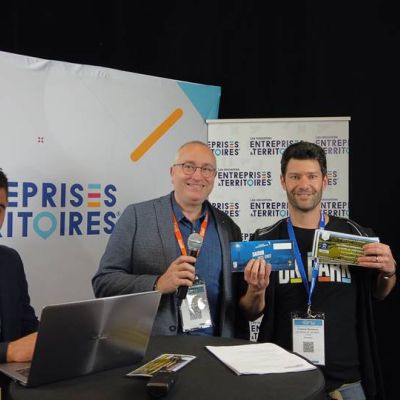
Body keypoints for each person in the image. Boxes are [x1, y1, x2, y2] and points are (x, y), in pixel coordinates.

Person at [239, 141, 396, 400]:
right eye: (295, 176)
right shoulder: (265, 240)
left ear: (324, 180)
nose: (304, 184)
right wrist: (256, 290)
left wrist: (388, 272)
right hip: (285, 382)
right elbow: (250, 311)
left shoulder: (355, 235)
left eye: (311, 176)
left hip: (345, 383)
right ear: (283, 181)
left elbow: (379, 293)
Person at [92, 141, 242, 337]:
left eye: (207, 169)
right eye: (188, 166)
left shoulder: (229, 228)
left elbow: (237, 302)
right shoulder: (137, 216)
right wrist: (157, 284)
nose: (198, 176)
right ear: (172, 172)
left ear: (214, 176)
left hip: (212, 348)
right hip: (151, 346)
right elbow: (103, 283)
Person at [0, 169, 39, 396]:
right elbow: (14, 348)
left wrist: (60, 337)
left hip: (11, 388)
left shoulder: (10, 260)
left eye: (0, 207)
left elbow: (27, 325)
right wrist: (9, 351)